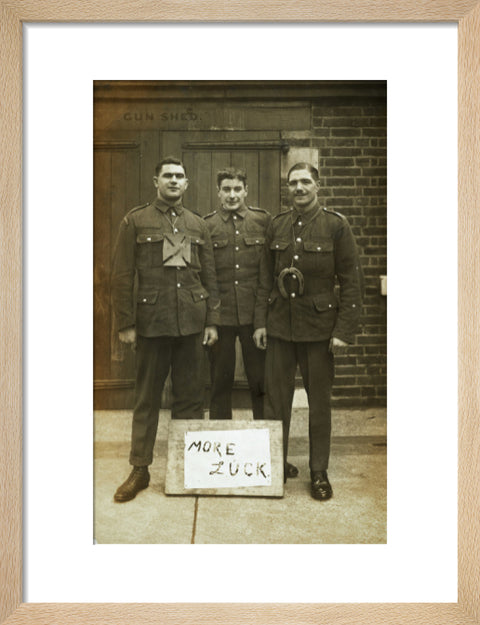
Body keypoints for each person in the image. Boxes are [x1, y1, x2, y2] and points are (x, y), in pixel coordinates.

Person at [111, 156, 220, 502]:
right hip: (152, 324)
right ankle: (140, 469)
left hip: (190, 323)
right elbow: (121, 276)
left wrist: (212, 321)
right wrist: (127, 323)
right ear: (155, 181)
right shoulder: (136, 221)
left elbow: (210, 277)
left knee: (190, 398)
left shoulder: (197, 224)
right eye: (168, 176)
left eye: (180, 176)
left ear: (187, 184)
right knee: (146, 398)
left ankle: (189, 467)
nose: (174, 181)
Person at [253, 162, 363, 500]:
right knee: (276, 402)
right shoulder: (278, 225)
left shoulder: (335, 225)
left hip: (319, 331)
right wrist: (260, 322)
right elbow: (264, 279)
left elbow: (351, 281)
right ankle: (275, 466)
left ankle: (318, 472)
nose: (299, 188)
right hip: (279, 329)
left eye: (305, 182)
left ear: (317, 185)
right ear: (288, 188)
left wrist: (343, 330)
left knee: (319, 404)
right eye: (293, 183)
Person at [204, 167, 298, 481]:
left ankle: (268, 456)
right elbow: (208, 278)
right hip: (221, 320)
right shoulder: (207, 225)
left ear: (246, 191)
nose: (232, 195)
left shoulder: (263, 221)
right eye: (226, 189)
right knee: (219, 385)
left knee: (262, 386)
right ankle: (218, 461)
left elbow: (268, 276)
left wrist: (261, 323)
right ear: (218, 192)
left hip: (255, 320)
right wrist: (212, 321)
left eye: (237, 189)